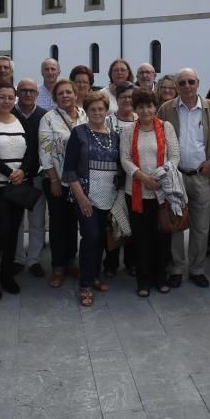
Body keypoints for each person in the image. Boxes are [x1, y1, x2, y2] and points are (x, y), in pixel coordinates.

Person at [157, 67, 210, 289]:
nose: (187, 86)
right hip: (176, 176)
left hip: (201, 175)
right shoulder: (166, 109)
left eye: (191, 82)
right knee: (177, 224)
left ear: (198, 83)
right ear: (176, 86)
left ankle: (197, 268)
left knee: (201, 226)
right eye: (182, 83)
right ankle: (176, 268)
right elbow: (158, 138)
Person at [0, 83, 40, 300]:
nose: (7, 101)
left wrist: (23, 171)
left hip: (17, 188)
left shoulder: (20, 120)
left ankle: (6, 275)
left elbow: (32, 150)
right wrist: (8, 171)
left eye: (11, 97)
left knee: (13, 233)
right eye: (3, 97)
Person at [120, 88, 179, 296]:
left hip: (162, 191)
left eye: (149, 106)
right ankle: (143, 281)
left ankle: (161, 277)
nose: (145, 110)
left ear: (155, 107)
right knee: (141, 239)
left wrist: (159, 176)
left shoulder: (166, 127)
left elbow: (174, 156)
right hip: (136, 192)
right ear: (135, 109)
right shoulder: (128, 131)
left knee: (162, 237)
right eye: (141, 106)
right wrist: (144, 178)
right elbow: (125, 160)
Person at [63, 91, 120, 306]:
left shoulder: (114, 135)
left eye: (100, 109)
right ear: (86, 112)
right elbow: (69, 171)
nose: (97, 112)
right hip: (85, 195)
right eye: (92, 109)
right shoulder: (78, 133)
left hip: (109, 196)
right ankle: (85, 284)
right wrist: (82, 198)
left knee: (101, 239)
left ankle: (95, 276)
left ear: (106, 111)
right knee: (91, 236)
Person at [38, 78, 86, 288]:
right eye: (61, 93)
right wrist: (55, 180)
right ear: (55, 98)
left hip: (80, 181)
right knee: (58, 224)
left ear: (76, 94)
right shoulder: (48, 119)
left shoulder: (84, 114)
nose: (65, 96)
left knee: (74, 223)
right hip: (57, 180)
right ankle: (57, 267)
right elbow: (45, 151)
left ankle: (70, 262)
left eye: (69, 92)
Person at [13, 78, 49, 278]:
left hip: (35, 175)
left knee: (37, 220)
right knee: (17, 220)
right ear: (17, 92)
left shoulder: (44, 116)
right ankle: (18, 258)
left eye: (32, 91)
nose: (28, 94)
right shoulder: (9, 114)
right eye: (24, 90)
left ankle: (34, 259)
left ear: (37, 94)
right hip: (14, 176)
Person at [103, 81, 137, 277]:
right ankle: (111, 262)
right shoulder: (108, 121)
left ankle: (131, 262)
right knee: (112, 220)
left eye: (131, 97)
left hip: (134, 178)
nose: (127, 100)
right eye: (123, 97)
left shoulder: (140, 120)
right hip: (112, 178)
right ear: (117, 99)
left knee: (132, 220)